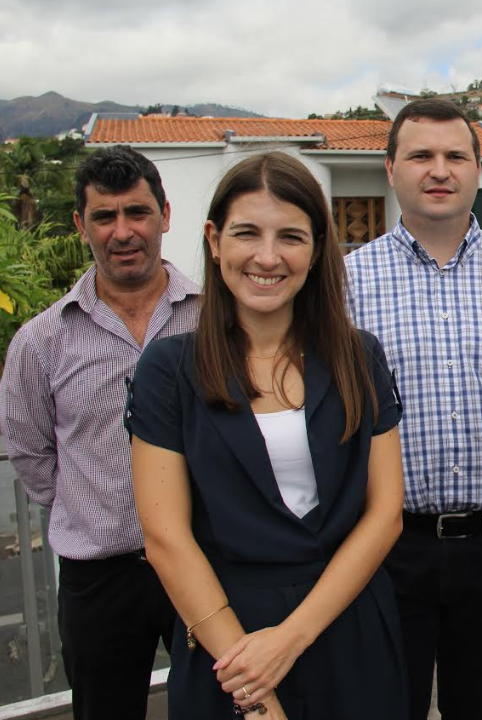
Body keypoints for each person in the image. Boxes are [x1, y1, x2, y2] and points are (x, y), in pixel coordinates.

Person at [126, 152, 407, 718]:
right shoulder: (168, 370)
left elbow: (385, 514)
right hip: (227, 640)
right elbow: (166, 539)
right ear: (214, 240)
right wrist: (253, 694)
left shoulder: (360, 358)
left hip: (348, 625)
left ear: (318, 249)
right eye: (247, 233)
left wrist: (291, 639)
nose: (268, 257)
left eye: (291, 237)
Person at [344, 98, 482, 720]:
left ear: (477, 168)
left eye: (455, 156)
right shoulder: (346, 283)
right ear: (390, 169)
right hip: (385, 550)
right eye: (421, 156)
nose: (439, 170)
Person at [0, 145, 198, 720]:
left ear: (165, 215)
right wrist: (92, 507)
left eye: (137, 212)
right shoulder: (42, 341)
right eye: (104, 216)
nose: (123, 231)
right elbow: (32, 454)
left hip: (203, 561)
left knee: (217, 704)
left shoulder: (214, 319)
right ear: (80, 224)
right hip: (99, 577)